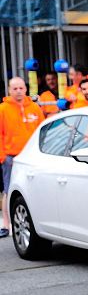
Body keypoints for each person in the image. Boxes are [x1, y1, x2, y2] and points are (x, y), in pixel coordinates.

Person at [0, 77, 44, 237]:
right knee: (8, 190)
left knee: (34, 190)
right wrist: (2, 156)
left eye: (21, 88)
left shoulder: (34, 108)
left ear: (25, 89)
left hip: (32, 157)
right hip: (11, 157)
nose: (18, 91)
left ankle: (34, 223)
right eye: (15, 88)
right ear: (9, 90)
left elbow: (42, 131)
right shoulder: (3, 109)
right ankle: (6, 225)